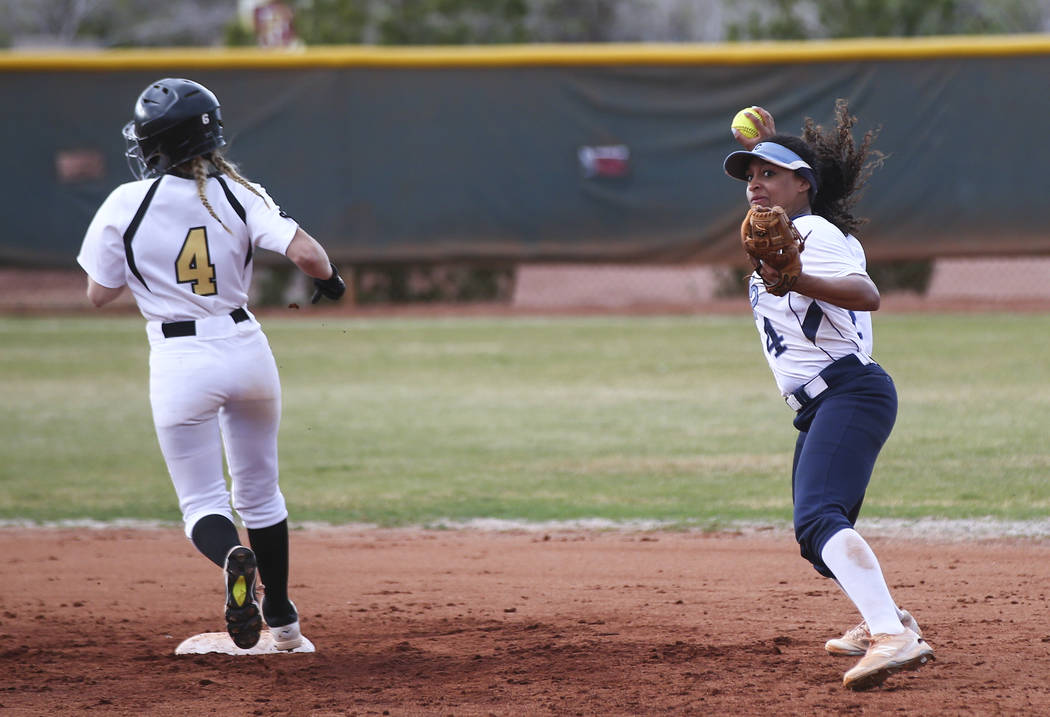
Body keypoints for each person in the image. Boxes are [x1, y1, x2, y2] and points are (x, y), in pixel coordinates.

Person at [76, 78, 346, 651]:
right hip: (247, 348)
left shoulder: (127, 203)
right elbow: (308, 254)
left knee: (203, 503)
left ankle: (231, 559)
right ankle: (285, 621)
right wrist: (331, 283)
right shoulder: (239, 191)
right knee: (262, 494)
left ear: (156, 143)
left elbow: (99, 294)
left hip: (180, 358)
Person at [722, 100, 934, 690]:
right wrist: (772, 147)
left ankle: (893, 637)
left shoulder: (813, 232)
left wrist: (800, 278)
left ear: (803, 184)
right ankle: (885, 620)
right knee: (816, 539)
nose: (754, 185)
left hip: (850, 391)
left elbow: (866, 293)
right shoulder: (790, 234)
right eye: (749, 177)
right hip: (823, 404)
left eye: (768, 174)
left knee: (819, 518)